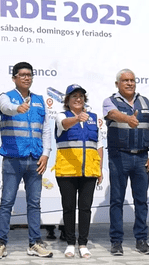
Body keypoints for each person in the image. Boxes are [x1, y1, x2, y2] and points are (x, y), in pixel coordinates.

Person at [0, 62, 52, 259]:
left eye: (29, 75)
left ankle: (34, 243)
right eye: (22, 74)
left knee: (34, 203)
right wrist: (18, 107)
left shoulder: (40, 100)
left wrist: (46, 153)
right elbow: (6, 109)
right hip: (13, 158)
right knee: (7, 202)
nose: (26, 77)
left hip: (35, 159)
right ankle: (0, 244)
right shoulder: (6, 97)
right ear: (14, 77)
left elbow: (47, 129)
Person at [103, 69, 149, 256]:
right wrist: (127, 118)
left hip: (141, 158)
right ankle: (116, 242)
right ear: (117, 84)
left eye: (132, 80)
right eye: (125, 80)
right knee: (116, 201)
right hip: (119, 157)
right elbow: (112, 114)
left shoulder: (145, 102)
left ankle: (142, 240)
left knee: (141, 201)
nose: (129, 83)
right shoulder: (109, 101)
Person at [54, 84, 103, 259]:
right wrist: (77, 119)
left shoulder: (94, 118)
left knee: (85, 208)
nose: (78, 99)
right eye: (74, 96)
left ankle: (83, 244)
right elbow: (64, 125)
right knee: (68, 208)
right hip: (67, 170)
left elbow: (99, 145)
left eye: (81, 96)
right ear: (67, 100)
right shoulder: (62, 115)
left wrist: (99, 168)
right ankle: (69, 243)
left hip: (89, 171)